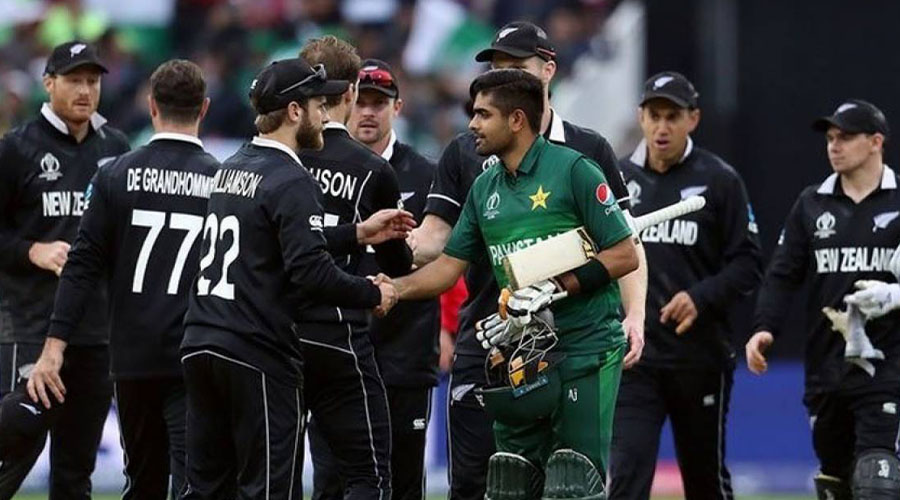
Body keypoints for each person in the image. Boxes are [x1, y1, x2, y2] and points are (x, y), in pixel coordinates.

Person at [409, 21, 648, 500]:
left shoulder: (587, 151)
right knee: (489, 479)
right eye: (496, 67)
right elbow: (439, 241)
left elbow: (626, 244)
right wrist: (395, 253)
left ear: (548, 71)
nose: (502, 75)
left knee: (567, 478)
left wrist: (635, 315)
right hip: (492, 336)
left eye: (514, 67)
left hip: (573, 339)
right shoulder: (466, 152)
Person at [178, 57, 402, 499]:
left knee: (205, 489)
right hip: (255, 351)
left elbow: (272, 242)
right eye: (320, 104)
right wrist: (369, 291)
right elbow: (310, 270)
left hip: (201, 342)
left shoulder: (234, 166)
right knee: (266, 490)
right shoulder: (291, 178)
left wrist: (355, 233)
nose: (327, 114)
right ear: (295, 111)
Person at [25, 59, 218, 499]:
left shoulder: (113, 175)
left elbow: (81, 265)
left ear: (151, 106)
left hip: (133, 358)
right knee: (196, 483)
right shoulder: (221, 182)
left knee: (143, 482)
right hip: (196, 352)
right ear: (204, 108)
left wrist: (54, 346)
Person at [608, 72, 763, 500]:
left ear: (693, 119)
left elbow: (749, 263)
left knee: (705, 481)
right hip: (635, 359)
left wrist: (700, 296)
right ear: (640, 117)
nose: (662, 127)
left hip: (700, 359)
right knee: (625, 477)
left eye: (673, 117)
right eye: (654, 115)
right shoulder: (616, 181)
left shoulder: (719, 180)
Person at [747, 100, 900, 500]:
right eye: (831, 138)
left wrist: (894, 294)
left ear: (876, 142)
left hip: (887, 369)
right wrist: (764, 328)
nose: (834, 146)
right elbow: (782, 275)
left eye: (846, 137)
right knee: (835, 479)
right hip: (825, 369)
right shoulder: (811, 204)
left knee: (877, 479)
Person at [0, 40, 130, 499]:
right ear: (48, 83)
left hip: (95, 333)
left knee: (76, 472)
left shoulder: (116, 148)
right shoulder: (16, 149)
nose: (85, 90)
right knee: (13, 452)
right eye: (74, 80)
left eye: (93, 81)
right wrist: (29, 249)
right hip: (30, 325)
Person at [297, 37, 414, 500]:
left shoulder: (269, 161)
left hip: (267, 335)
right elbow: (397, 264)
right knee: (368, 475)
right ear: (347, 96)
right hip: (339, 335)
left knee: (269, 472)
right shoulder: (372, 169)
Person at [349, 58, 441, 500]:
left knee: (405, 479)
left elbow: (444, 252)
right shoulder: (324, 170)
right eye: (360, 101)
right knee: (339, 478)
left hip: (406, 347)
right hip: (342, 348)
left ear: (397, 108)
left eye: (378, 103)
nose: (368, 112)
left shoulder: (426, 175)